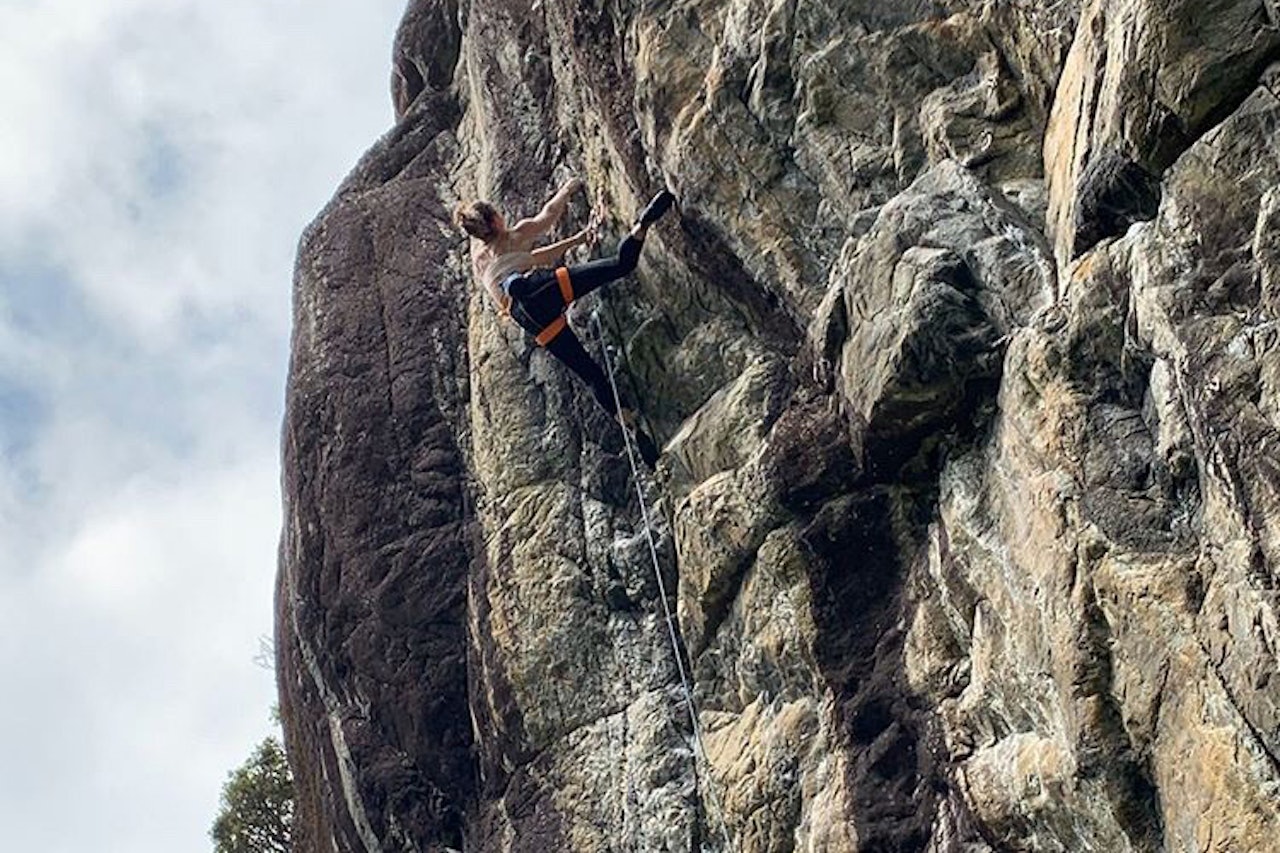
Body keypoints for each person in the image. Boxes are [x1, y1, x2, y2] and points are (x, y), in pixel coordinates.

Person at [455, 179, 675, 468]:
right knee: (621, 265)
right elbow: (548, 215)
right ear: (496, 219)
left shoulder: (480, 261)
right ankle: (642, 224)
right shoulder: (516, 234)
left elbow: (533, 257)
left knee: (591, 374)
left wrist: (578, 239)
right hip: (541, 287)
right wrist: (568, 190)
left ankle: (631, 426)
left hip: (529, 318)